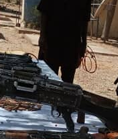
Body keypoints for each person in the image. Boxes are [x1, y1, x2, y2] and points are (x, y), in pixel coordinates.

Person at [37, 0, 92, 131]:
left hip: (72, 43)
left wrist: (83, 44)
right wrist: (42, 36)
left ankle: (64, 112)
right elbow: (44, 13)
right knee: (49, 79)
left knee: (67, 82)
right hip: (52, 40)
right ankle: (47, 113)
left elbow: (85, 21)